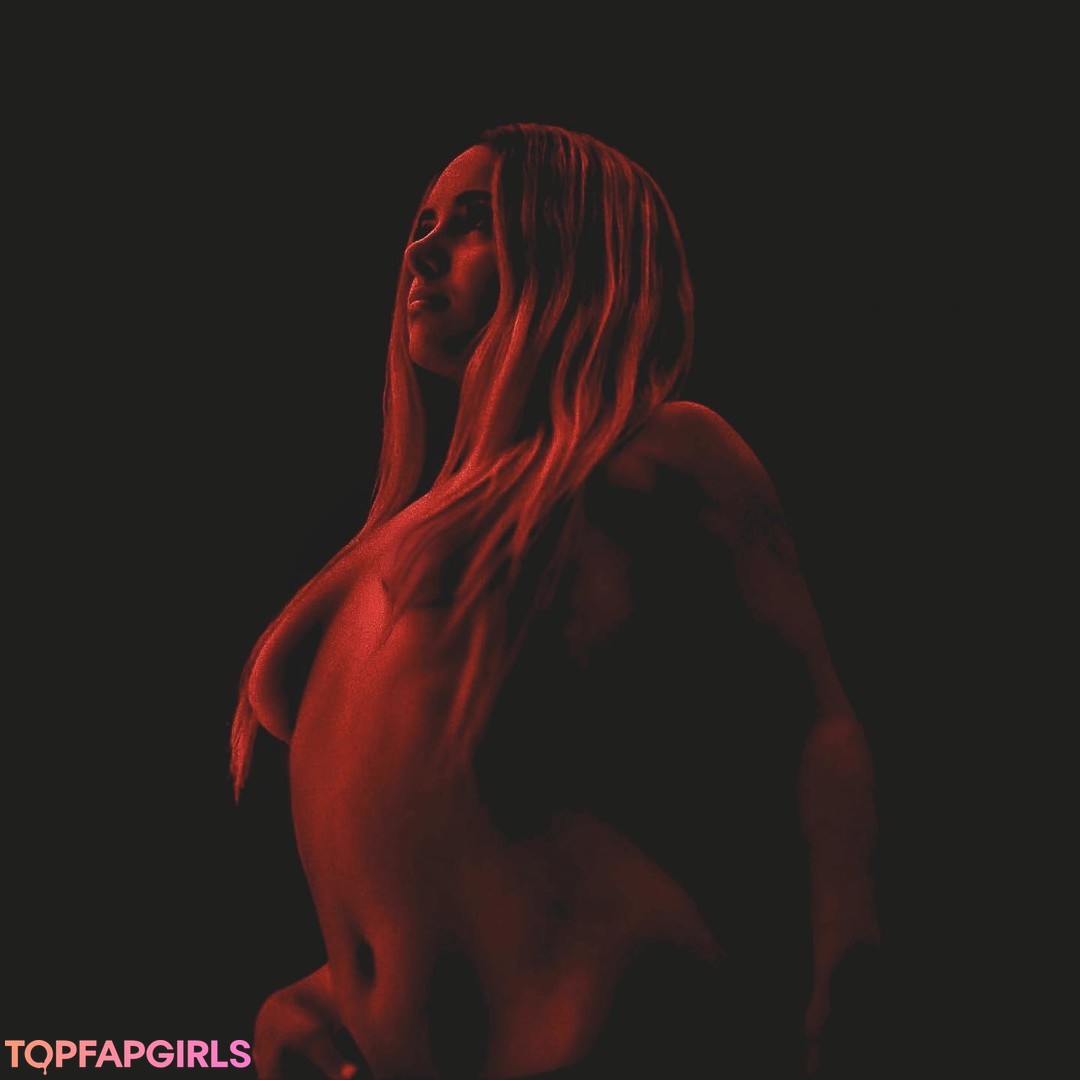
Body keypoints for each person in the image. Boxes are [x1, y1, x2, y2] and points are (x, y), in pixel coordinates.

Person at [230, 123, 882, 1079]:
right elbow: (427, 842)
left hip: (598, 1024)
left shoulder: (662, 449)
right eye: (422, 224)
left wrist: (851, 965)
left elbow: (814, 723)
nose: (421, 251)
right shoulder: (407, 527)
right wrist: (325, 993)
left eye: (475, 222)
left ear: (575, 249)